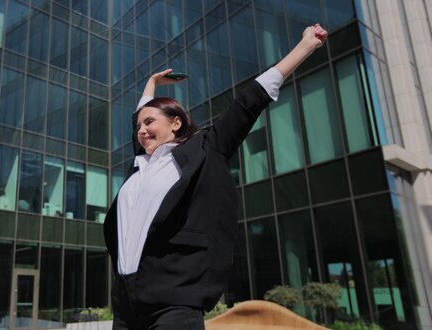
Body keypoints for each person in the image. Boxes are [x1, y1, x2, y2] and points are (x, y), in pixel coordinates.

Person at [103, 24, 328, 330]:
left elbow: (250, 101)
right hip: (127, 304)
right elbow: (140, 115)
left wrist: (306, 46)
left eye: (150, 123)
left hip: (175, 300)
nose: (142, 130)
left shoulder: (205, 149)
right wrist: (151, 82)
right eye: (138, 126)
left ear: (177, 123)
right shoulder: (141, 163)